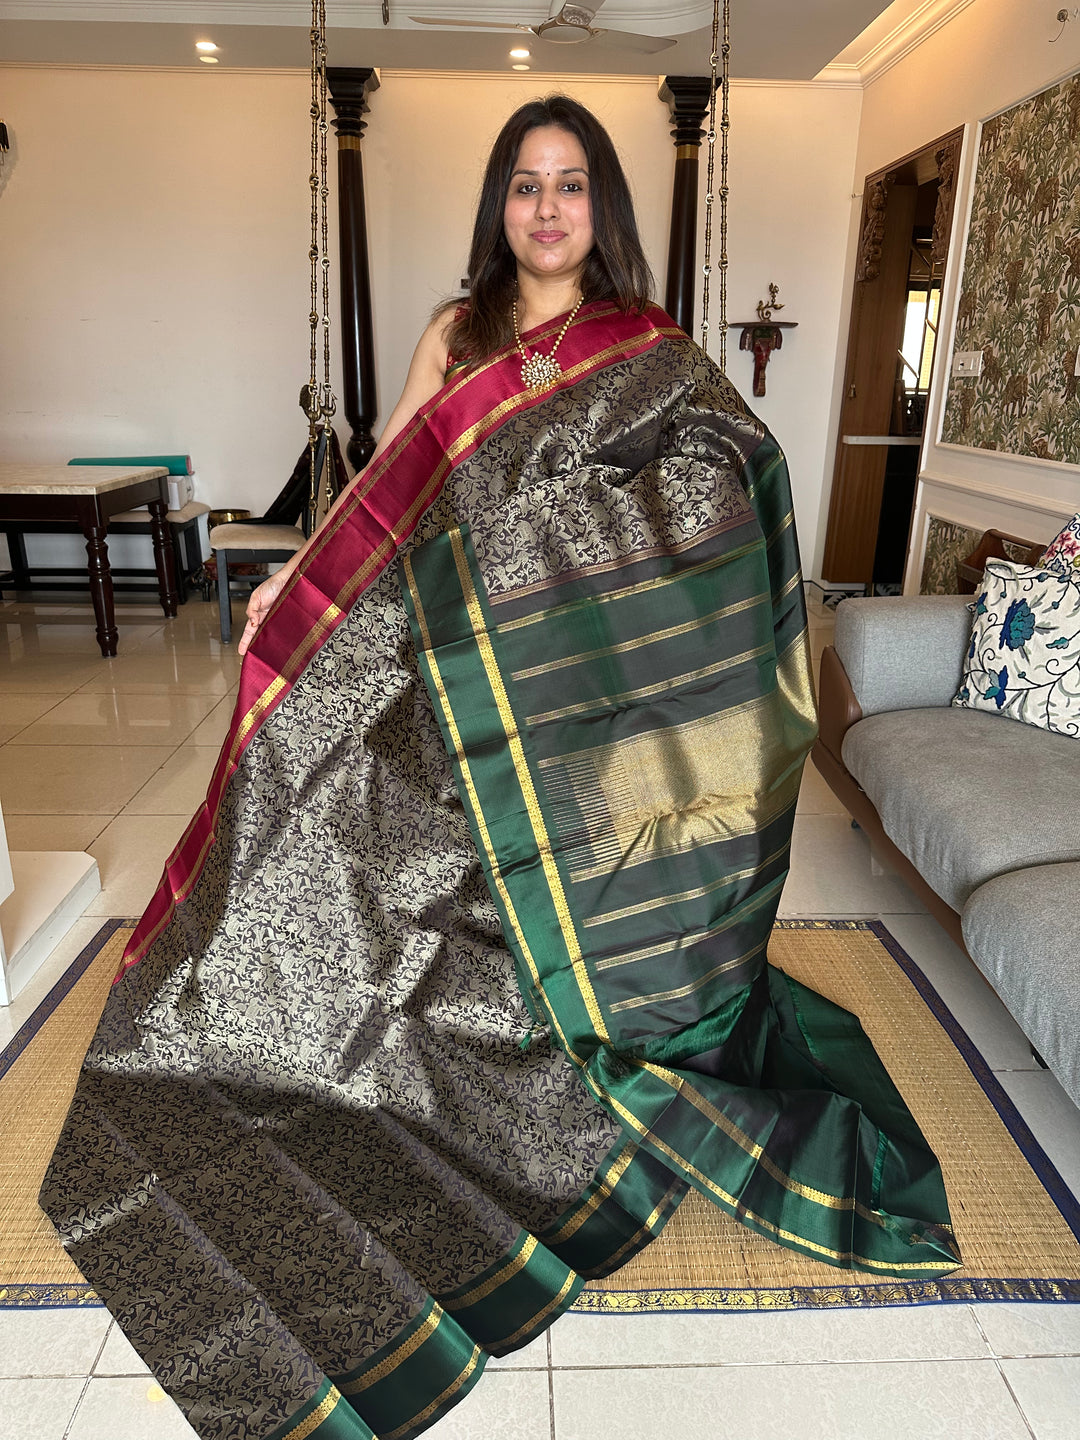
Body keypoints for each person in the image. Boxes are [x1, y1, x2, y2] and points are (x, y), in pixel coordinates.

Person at [42, 97, 958, 1440]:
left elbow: (725, 482)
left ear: (603, 209)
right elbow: (385, 486)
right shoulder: (458, 336)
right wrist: (300, 573)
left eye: (571, 184)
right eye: (525, 185)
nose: (546, 208)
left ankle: (550, 1066)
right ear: (499, 205)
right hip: (451, 678)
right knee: (329, 836)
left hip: (573, 703)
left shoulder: (650, 354)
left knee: (548, 906)